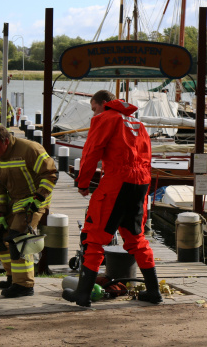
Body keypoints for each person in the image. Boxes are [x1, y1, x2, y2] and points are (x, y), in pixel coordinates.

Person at [63, 90, 163, 307]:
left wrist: (83, 183)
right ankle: (153, 291)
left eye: (94, 107)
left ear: (104, 103)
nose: (93, 113)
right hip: (140, 184)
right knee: (136, 237)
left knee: (94, 237)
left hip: (117, 182)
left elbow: (91, 152)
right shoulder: (138, 124)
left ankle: (83, 295)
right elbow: (146, 158)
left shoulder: (105, 119)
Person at [0, 125, 58, 298]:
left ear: (6, 141)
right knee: (0, 235)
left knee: (19, 236)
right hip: (15, 200)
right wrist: (0, 214)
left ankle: (24, 285)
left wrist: (38, 199)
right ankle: (13, 277)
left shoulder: (30, 149)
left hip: (35, 198)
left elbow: (50, 175)